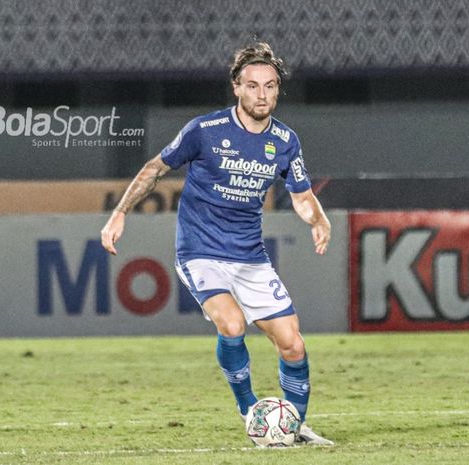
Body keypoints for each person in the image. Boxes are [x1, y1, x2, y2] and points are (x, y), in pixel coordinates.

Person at [100, 42, 333, 446]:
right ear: (236, 88)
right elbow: (155, 168)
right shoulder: (204, 131)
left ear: (278, 90)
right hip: (200, 251)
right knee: (232, 323)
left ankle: (292, 427)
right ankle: (251, 414)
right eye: (253, 85)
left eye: (270, 86)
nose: (262, 94)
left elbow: (300, 195)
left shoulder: (285, 140)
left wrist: (319, 219)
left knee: (293, 345)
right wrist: (120, 211)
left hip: (250, 257)